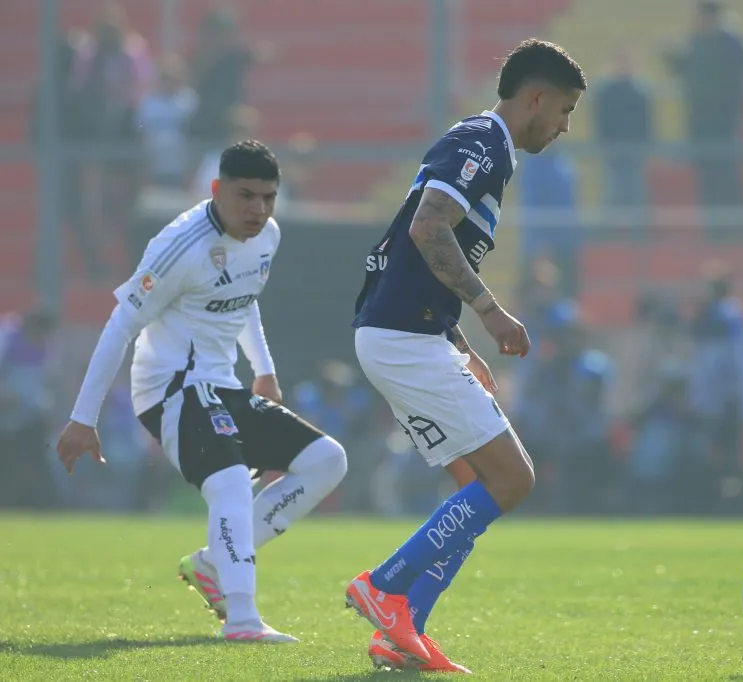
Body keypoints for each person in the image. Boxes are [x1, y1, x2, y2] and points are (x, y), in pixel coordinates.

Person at [347, 39, 586, 673]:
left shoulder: (482, 146)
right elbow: (428, 228)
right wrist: (487, 311)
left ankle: (400, 634)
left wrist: (456, 340)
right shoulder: (483, 144)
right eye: (563, 110)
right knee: (514, 480)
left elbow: (407, 246)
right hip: (401, 338)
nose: (563, 127)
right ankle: (385, 585)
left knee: (478, 491)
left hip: (408, 334)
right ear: (535, 97)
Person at [55, 140, 348, 643]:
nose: (258, 209)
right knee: (231, 483)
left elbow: (243, 297)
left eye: (268, 198)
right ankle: (241, 618)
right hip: (170, 389)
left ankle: (214, 562)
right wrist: (84, 418)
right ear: (216, 190)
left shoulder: (268, 235)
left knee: (328, 461)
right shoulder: (178, 248)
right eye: (246, 196)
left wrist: (264, 370)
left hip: (223, 385)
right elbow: (119, 327)